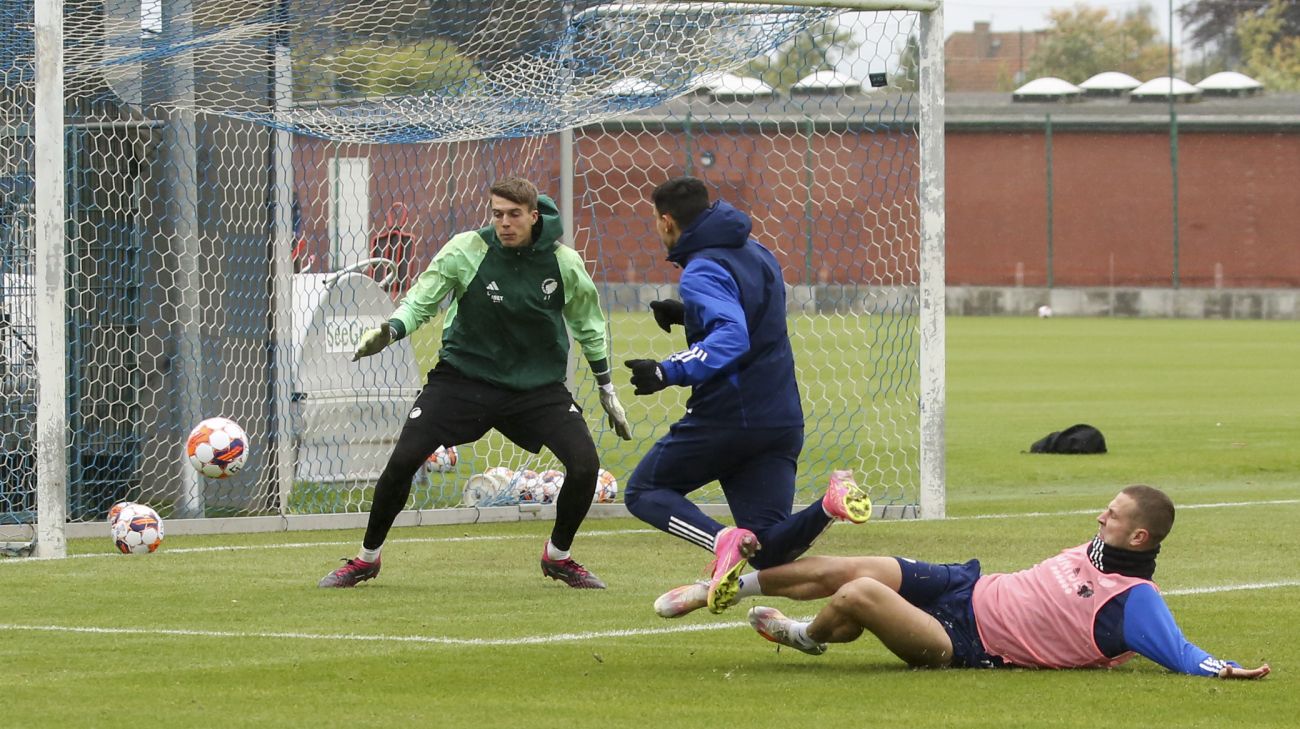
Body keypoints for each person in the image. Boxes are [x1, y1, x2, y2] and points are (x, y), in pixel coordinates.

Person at [318, 177, 633, 590]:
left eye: (514, 215)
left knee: (585, 465)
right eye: (497, 214)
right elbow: (423, 299)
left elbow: (589, 325)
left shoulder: (564, 263)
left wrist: (606, 386)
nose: (504, 223)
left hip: (535, 390)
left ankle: (558, 556)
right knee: (402, 462)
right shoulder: (467, 249)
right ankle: (365, 560)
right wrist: (392, 330)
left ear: (534, 216)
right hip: (462, 380)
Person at [680, 485, 1270, 680]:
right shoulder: (1097, 547)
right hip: (964, 586)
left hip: (964, 642)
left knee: (857, 595)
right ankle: (729, 585)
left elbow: (1181, 651)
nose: (1100, 517)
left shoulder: (1133, 601)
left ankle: (808, 633)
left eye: (1112, 515)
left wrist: (1224, 670)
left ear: (1139, 539)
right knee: (855, 565)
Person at [621, 176, 873, 615]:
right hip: (779, 420)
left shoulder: (700, 268)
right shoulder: (759, 253)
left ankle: (722, 541)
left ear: (665, 221)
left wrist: (667, 370)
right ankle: (831, 504)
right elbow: (756, 317)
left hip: (726, 421)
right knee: (770, 551)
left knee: (644, 491)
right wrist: (689, 315)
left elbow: (733, 336)